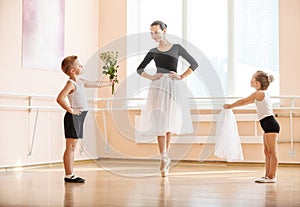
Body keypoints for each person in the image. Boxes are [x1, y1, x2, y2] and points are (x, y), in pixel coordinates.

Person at [137, 20, 198, 177]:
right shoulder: (153, 51)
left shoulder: (177, 48)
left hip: (173, 85)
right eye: (151, 33)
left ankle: (166, 155)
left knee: (170, 121)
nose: (154, 35)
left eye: (156, 32)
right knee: (159, 121)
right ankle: (163, 156)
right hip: (158, 86)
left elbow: (194, 63)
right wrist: (151, 77)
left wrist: (182, 76)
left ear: (164, 30)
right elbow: (140, 69)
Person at [57, 55, 112, 183]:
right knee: (70, 147)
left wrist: (109, 83)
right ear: (72, 70)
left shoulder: (80, 81)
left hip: (79, 117)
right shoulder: (71, 84)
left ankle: (70, 174)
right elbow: (60, 98)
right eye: (79, 65)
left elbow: (95, 84)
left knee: (73, 146)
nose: (82, 66)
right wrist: (72, 110)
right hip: (73, 118)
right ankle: (69, 175)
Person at [224, 70, 280, 183]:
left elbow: (242, 101)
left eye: (252, 79)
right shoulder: (261, 93)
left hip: (270, 124)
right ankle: (267, 175)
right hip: (267, 124)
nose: (250, 80)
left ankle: (272, 176)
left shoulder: (259, 93)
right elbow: (245, 102)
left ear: (257, 84)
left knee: (272, 152)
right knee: (266, 151)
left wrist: (230, 106)